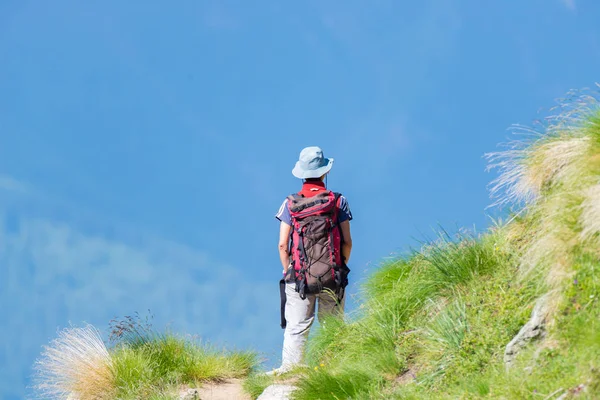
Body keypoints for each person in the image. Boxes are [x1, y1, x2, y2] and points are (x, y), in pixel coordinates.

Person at [269, 146, 353, 375]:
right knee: (331, 328)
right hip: (332, 276)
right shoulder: (338, 201)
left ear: (302, 173)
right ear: (325, 172)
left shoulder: (290, 204)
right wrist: (339, 267)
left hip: (299, 277)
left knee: (296, 328)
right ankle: (333, 371)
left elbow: (282, 244)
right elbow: (347, 242)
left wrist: (289, 272)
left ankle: (290, 372)